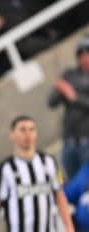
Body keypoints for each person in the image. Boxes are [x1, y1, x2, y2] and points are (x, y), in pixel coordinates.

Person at [48, 35, 89, 180]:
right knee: (73, 181)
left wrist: (73, 96)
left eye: (87, 53)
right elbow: (51, 103)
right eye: (81, 54)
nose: (84, 58)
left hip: (87, 141)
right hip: (69, 142)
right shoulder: (70, 74)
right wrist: (60, 89)